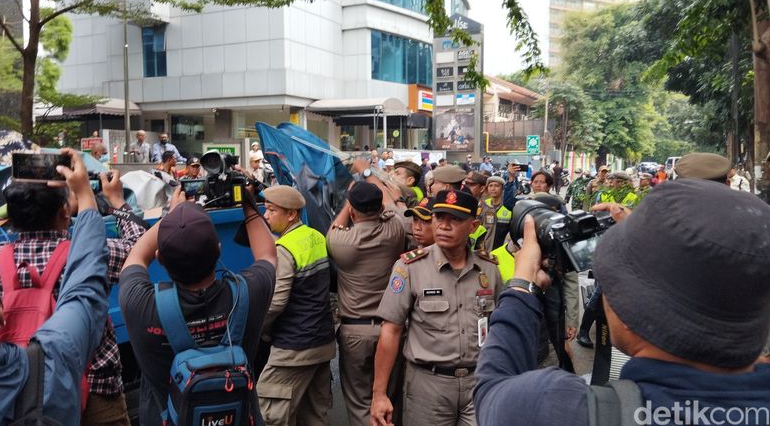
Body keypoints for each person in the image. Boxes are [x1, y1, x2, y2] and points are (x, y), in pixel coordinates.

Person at [474, 178, 770, 426]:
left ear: (628, 311)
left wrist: (522, 288)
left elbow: (491, 388)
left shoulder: (557, 407)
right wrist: (651, 236)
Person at [0, 164, 144, 425]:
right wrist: (116, 202)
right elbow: (140, 247)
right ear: (64, 212)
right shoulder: (89, 253)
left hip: (22, 389)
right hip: (95, 391)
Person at [118, 187, 277, 426]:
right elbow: (268, 256)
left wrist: (172, 219)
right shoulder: (249, 294)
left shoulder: (140, 304)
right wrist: (248, 204)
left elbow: (136, 257)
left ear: (160, 258)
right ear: (218, 251)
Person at [371, 189, 504, 426]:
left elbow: (501, 329)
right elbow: (390, 330)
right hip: (429, 385)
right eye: (439, 217)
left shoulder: (489, 270)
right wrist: (379, 394)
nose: (444, 226)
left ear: (473, 226)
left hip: (479, 381)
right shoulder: (410, 267)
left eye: (455, 219)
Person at [328, 181, 406, 426]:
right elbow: (395, 208)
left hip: (355, 332)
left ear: (352, 210)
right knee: (387, 397)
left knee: (360, 401)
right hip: (390, 329)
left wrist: (349, 199)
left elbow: (336, 225)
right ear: (380, 206)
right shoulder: (395, 229)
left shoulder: (341, 242)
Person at [257, 185, 335, 426]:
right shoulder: (316, 236)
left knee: (270, 412)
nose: (266, 216)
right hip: (322, 342)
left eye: (271, 210)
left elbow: (276, 303)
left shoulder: (285, 248)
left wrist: (258, 330)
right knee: (313, 416)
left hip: (293, 348)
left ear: (291, 214)